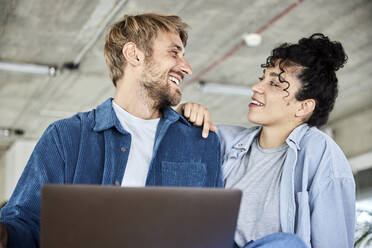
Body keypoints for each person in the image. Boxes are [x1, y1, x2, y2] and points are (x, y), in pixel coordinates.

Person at [0, 13, 223, 248]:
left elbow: (214, 234)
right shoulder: (66, 137)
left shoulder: (202, 141)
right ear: (133, 54)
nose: (186, 68)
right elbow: (25, 223)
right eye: (173, 52)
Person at [179, 33, 355, 248]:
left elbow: (333, 242)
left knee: (287, 244)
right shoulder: (225, 140)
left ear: (303, 107)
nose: (256, 87)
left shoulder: (321, 154)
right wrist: (183, 110)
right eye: (263, 78)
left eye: (274, 83)